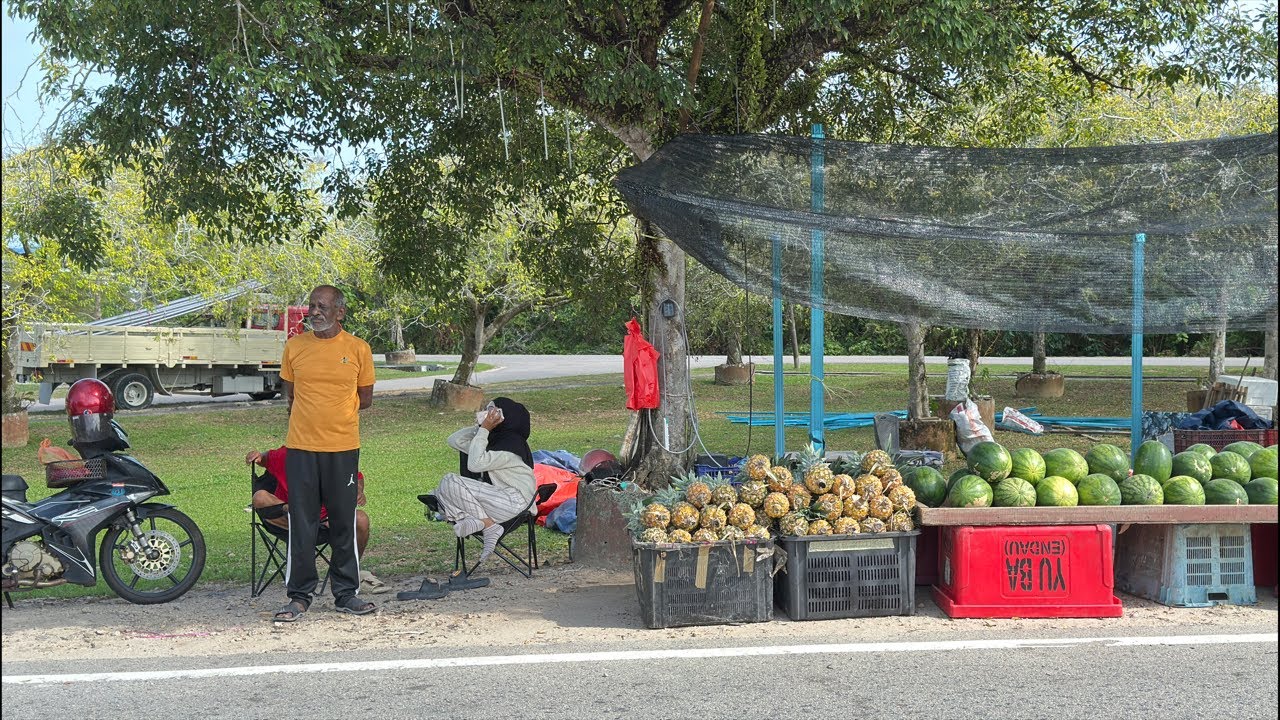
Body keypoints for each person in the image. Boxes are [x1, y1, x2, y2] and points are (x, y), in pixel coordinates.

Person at [273, 284, 376, 622]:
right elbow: (290, 396)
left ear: (340, 312)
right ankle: (299, 596)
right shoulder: (294, 347)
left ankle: (346, 593)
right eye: (311, 306)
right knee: (302, 522)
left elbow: (366, 398)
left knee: (343, 522)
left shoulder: (358, 349)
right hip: (301, 449)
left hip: (343, 448)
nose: (314, 312)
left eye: (322, 306)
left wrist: (335, 417)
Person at [246, 446, 387, 594]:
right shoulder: (288, 455)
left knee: (361, 519)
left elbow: (356, 476)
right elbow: (264, 458)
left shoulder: (334, 457)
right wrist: (256, 455)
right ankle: (299, 519)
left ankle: (346, 572)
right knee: (260, 497)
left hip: (327, 521)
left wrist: (358, 490)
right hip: (289, 519)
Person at [437, 397, 537, 565]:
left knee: (449, 481)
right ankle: (484, 523)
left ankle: (481, 523)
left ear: (506, 418)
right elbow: (454, 440)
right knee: (441, 491)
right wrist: (482, 428)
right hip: (500, 500)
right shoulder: (492, 441)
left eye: (493, 411)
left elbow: (475, 464)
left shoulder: (511, 447)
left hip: (516, 503)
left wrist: (484, 429)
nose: (487, 414)